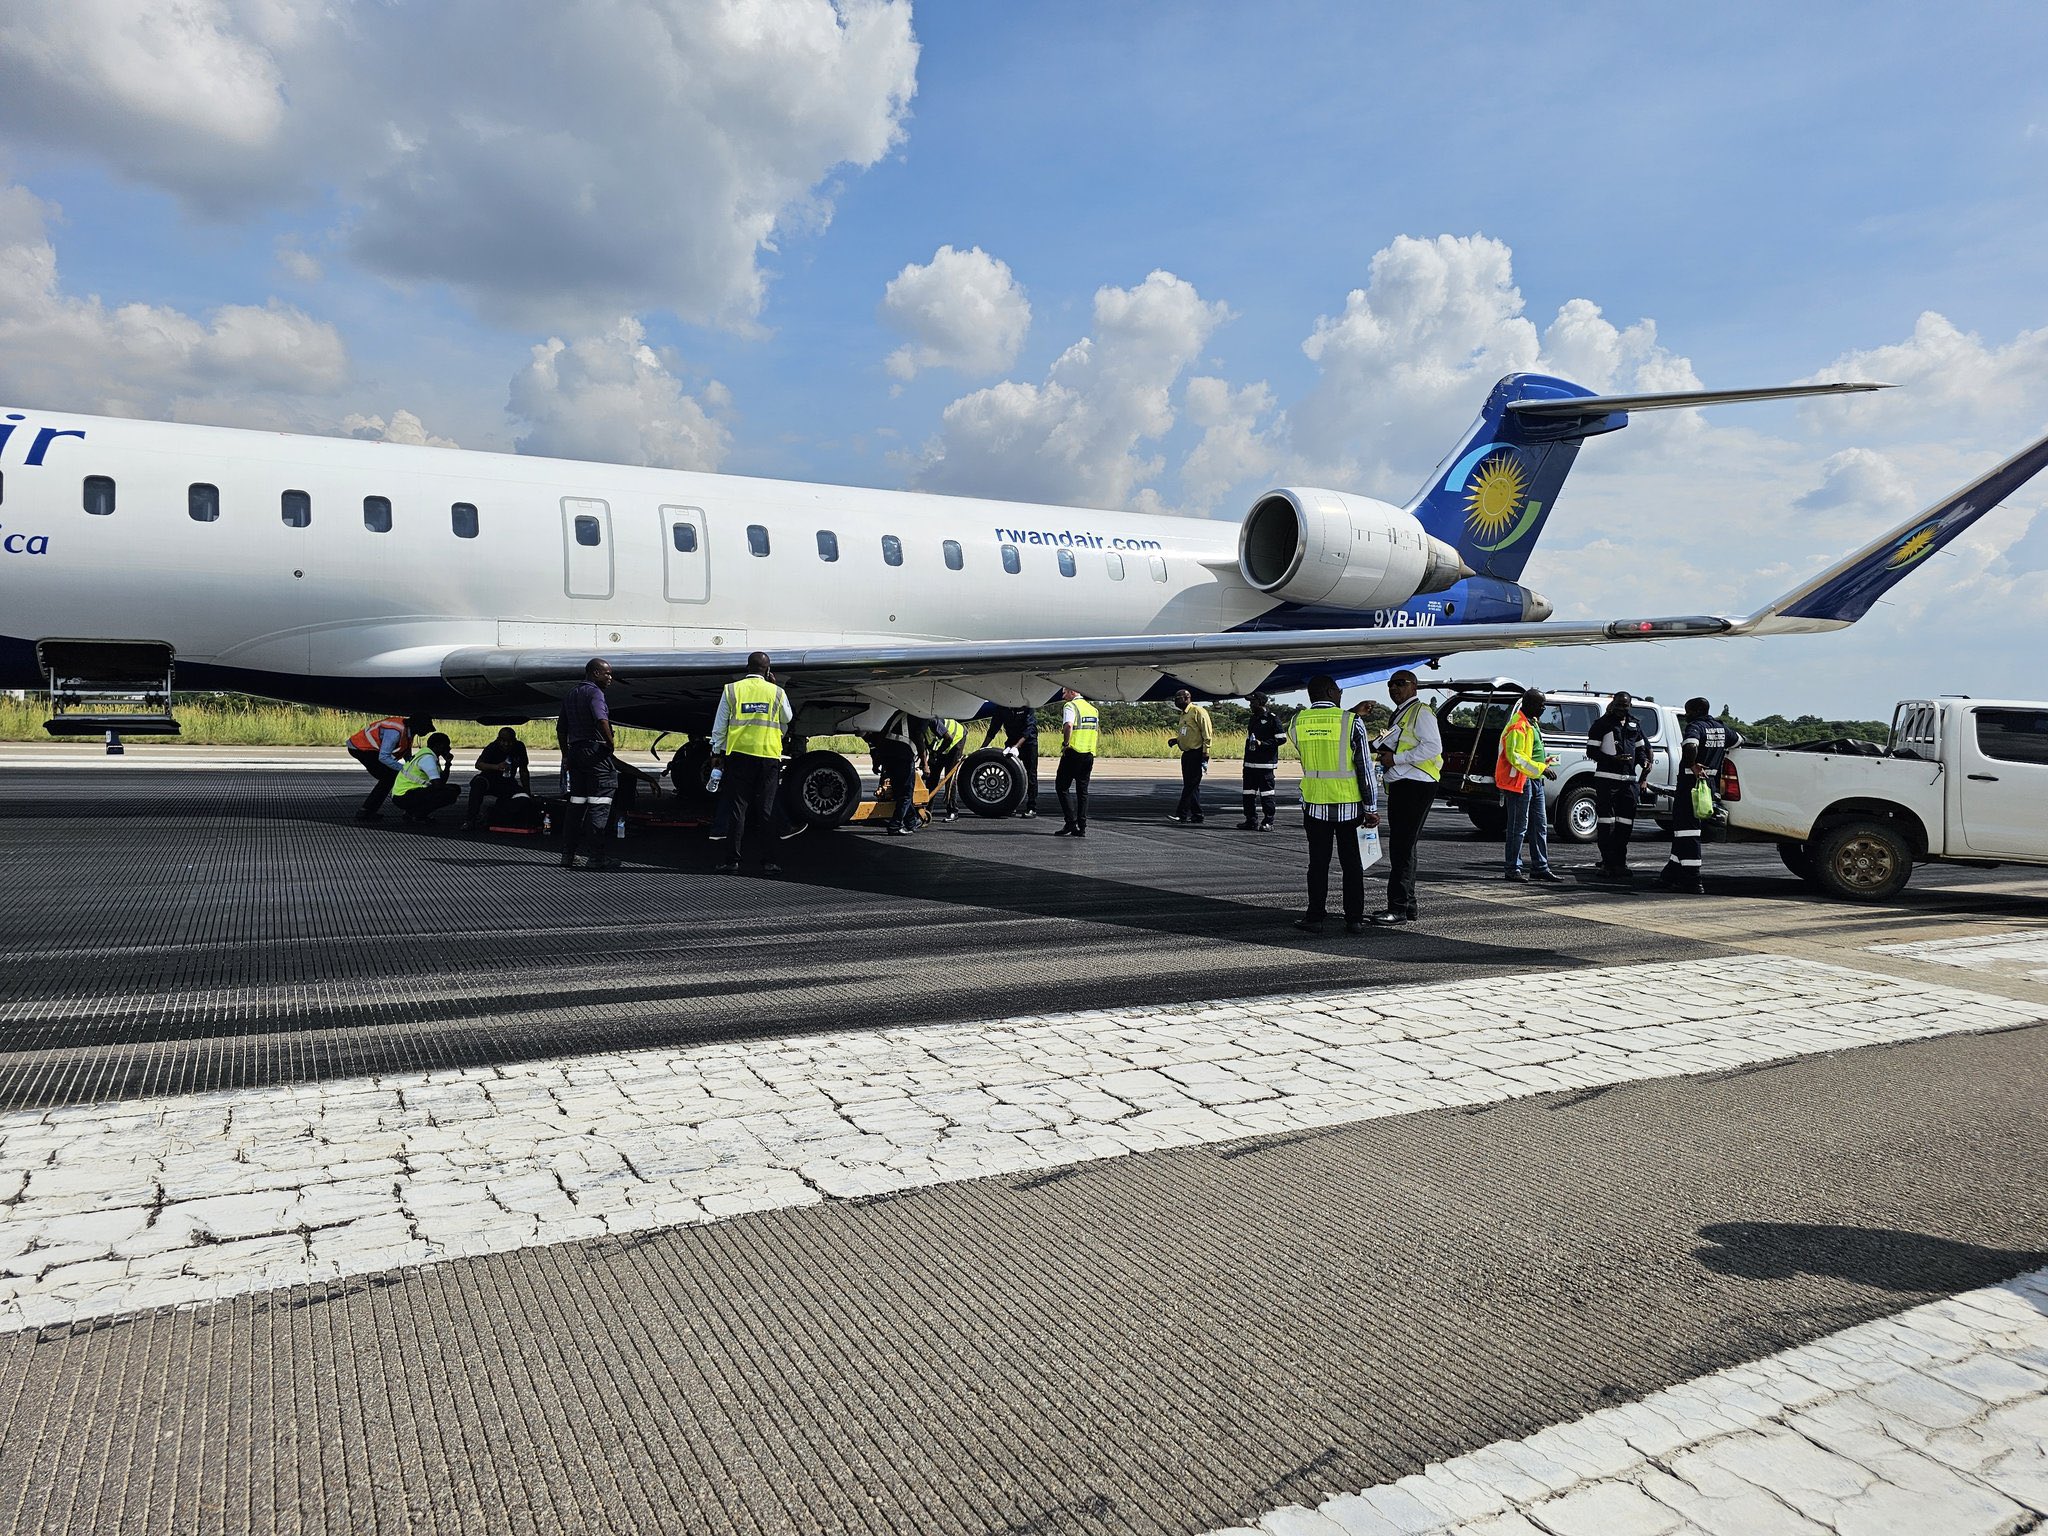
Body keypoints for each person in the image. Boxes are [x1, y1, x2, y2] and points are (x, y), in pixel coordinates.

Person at [1287, 677, 1379, 934]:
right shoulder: (1352, 722)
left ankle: (1315, 917)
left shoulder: (1297, 722)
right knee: (1352, 864)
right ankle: (1354, 919)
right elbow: (1364, 768)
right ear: (1330, 691)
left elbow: (1321, 734)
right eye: (1339, 691)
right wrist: (1371, 807)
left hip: (1315, 804)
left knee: (1318, 864)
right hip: (1349, 805)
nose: (1341, 694)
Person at [1368, 669, 1442, 925]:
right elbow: (1385, 741)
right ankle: (1408, 905)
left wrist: (1397, 759)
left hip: (1416, 784)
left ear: (1414, 686)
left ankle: (1397, 908)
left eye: (1400, 683)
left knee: (1401, 847)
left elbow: (1433, 746)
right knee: (1405, 846)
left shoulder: (1421, 712)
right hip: (1405, 784)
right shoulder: (1401, 713)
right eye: (1390, 684)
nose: (1394, 688)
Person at [711, 651, 795, 874]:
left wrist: (716, 752)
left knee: (738, 808)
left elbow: (720, 725)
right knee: (766, 809)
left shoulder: (732, 690)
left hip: (739, 756)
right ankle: (769, 862)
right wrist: (775, 688)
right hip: (768, 756)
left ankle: (732, 861)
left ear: (747, 668)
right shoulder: (776, 692)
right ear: (768, 670)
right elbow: (787, 718)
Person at [1658, 698, 1735, 894]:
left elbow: (1691, 746)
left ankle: (1693, 879)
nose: (1687, 715)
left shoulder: (1696, 727)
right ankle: (1670, 874)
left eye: (1689, 711)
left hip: (1691, 786)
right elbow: (1738, 740)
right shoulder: (1721, 728)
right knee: (1682, 832)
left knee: (1688, 832)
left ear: (1697, 711)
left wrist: (1692, 765)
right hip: (1708, 786)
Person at [558, 658, 621, 870]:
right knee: (599, 804)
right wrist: (610, 745)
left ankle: (568, 855)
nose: (610, 677)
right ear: (595, 673)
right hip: (594, 753)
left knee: (575, 806)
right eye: (607, 673)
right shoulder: (595, 693)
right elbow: (601, 719)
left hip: (575, 753)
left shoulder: (571, 694)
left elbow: (561, 729)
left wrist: (566, 755)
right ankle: (597, 857)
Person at [1497, 690, 1562, 883]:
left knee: (1539, 826)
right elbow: (1516, 757)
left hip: (1534, 780)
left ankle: (1540, 867)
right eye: (1541, 704)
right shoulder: (1518, 725)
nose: (1544, 708)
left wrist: (1544, 763)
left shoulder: (1531, 723)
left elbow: (1531, 752)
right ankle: (1512, 868)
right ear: (1529, 704)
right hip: (1521, 782)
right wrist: (1542, 768)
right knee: (1518, 827)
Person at [1586, 691, 1652, 878]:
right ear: (1613, 704)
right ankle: (1607, 863)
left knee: (1625, 824)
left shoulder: (1634, 724)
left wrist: (1644, 761)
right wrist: (1613, 759)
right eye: (1619, 705)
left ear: (1630, 705)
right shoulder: (1602, 724)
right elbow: (1591, 751)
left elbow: (1640, 749)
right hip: (1607, 780)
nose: (1622, 708)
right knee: (1606, 823)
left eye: (1625, 705)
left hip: (1629, 783)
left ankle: (1620, 863)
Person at [346, 713, 432, 821]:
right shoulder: (395, 731)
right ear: (419, 727)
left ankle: (366, 811)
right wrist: (404, 770)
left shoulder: (408, 730)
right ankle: (366, 811)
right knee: (388, 778)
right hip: (361, 748)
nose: (427, 732)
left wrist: (410, 764)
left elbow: (406, 749)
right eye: (426, 729)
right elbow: (384, 757)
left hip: (368, 749)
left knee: (389, 778)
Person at [1052, 687, 1099, 837]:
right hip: (1089, 754)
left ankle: (1070, 822)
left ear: (1072, 691)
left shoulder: (1070, 706)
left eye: (1064, 692)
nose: (1063, 696)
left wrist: (1066, 743)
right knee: (1082, 791)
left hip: (1073, 752)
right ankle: (1082, 826)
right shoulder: (1093, 709)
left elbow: (1068, 725)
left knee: (1062, 787)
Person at [465, 727, 533, 830]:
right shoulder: (492, 747)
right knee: (478, 783)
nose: (506, 744)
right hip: (490, 779)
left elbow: (523, 770)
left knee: (523, 799)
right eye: (503, 741)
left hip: (507, 782)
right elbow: (478, 764)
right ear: (498, 740)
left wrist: (527, 792)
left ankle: (496, 811)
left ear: (514, 740)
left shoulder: (519, 747)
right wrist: (496, 767)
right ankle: (470, 819)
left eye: (510, 741)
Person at [1238, 692, 1285, 831]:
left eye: (1252, 702)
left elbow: (1281, 739)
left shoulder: (1272, 719)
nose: (1250, 705)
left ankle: (1268, 822)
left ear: (1260, 702)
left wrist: (1262, 744)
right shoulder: (1253, 718)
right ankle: (1250, 820)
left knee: (1267, 794)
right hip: (1249, 764)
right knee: (1248, 794)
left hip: (1265, 765)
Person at [1165, 688, 1213, 823]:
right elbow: (1188, 733)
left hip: (1197, 753)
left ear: (1187, 698)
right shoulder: (1183, 714)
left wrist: (1206, 753)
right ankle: (1197, 814)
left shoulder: (1198, 711)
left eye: (1178, 699)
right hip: (1187, 753)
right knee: (1191, 786)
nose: (1176, 702)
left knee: (1190, 786)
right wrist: (1177, 740)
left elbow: (1207, 733)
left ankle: (1181, 814)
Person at [983, 705, 1040, 817]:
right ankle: (1010, 806)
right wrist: (983, 747)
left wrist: (1016, 747)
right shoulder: (1002, 708)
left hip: (1028, 743)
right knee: (1008, 774)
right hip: (1012, 742)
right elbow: (993, 728)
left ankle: (1031, 807)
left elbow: (1029, 729)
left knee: (1031, 775)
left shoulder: (1026, 707)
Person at [871, 711, 922, 835]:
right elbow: (919, 736)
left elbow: (882, 735)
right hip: (903, 757)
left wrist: (877, 761)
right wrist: (925, 763)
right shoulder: (921, 715)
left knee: (900, 792)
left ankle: (911, 821)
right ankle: (895, 825)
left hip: (888, 756)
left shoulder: (897, 714)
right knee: (905, 794)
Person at [391, 732, 459, 822]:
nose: (449, 748)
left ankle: (411, 812)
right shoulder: (428, 758)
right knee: (449, 794)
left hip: (404, 793)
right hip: (404, 795)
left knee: (454, 789)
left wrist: (448, 764)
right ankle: (418, 815)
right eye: (446, 745)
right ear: (439, 746)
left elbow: (442, 781)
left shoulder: (426, 754)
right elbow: (438, 785)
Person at [920, 716, 967, 820]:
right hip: (941, 746)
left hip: (956, 740)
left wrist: (937, 753)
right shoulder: (917, 728)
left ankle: (953, 811)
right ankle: (927, 810)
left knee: (949, 777)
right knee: (932, 777)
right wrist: (926, 764)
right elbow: (922, 747)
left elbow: (949, 738)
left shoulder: (932, 721)